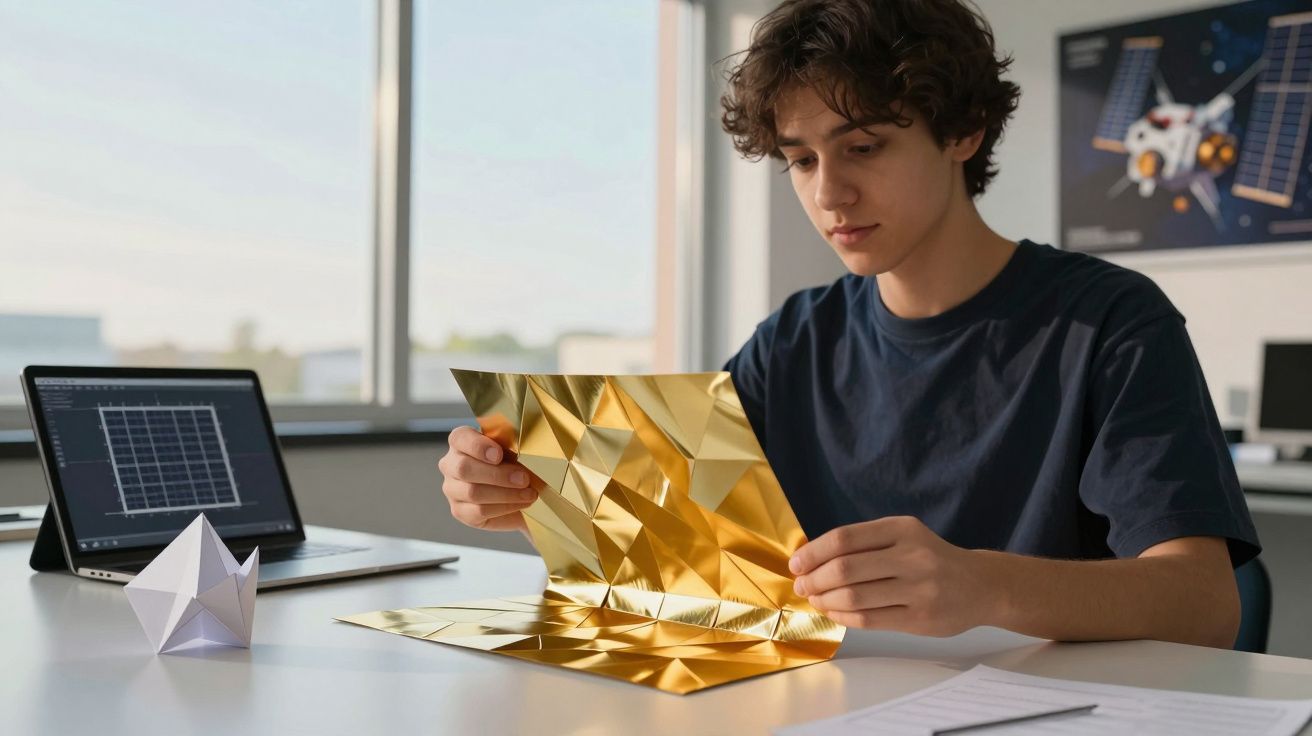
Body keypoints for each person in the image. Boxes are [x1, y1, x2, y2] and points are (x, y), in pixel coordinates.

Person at [437, 0, 1259, 649]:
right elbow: (694, 551)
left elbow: (1206, 605)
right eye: (801, 159)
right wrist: (540, 496)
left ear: (962, 132)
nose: (828, 194)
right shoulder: (792, 339)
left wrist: (982, 587)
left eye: (862, 146)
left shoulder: (1111, 323)